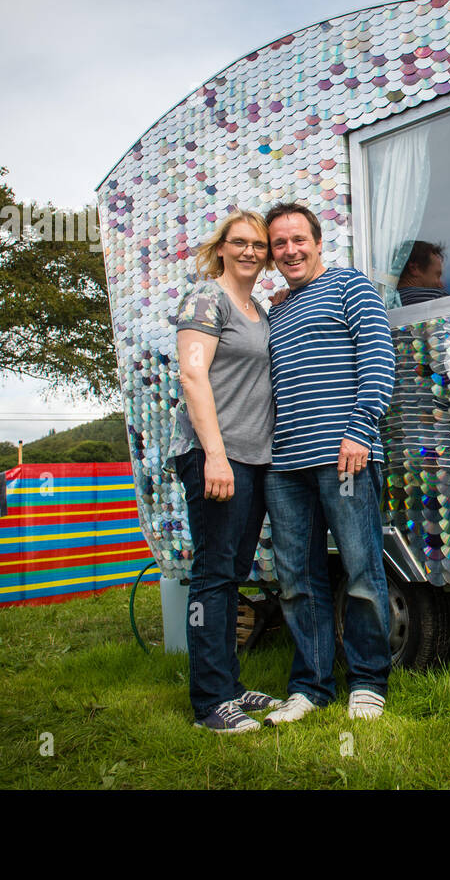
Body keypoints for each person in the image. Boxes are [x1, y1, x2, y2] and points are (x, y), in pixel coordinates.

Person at [262, 202, 396, 723]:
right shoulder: (278, 311)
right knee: (297, 579)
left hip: (345, 454)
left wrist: (360, 429)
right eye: (280, 244)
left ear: (318, 242)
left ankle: (367, 681)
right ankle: (310, 686)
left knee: (362, 571)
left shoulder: (351, 286)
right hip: (284, 464)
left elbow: (380, 358)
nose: (290, 250)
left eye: (299, 240)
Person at [170, 209, 282, 733]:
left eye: (258, 244)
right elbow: (193, 376)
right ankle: (210, 703)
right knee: (214, 576)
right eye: (239, 243)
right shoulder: (205, 298)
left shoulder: (255, 306)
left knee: (232, 574)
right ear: (221, 248)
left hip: (253, 458)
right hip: (217, 455)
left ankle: (230, 688)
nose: (249, 252)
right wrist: (214, 455)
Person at [395, 240, 449, 305]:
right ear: (414, 269)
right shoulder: (436, 298)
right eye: (437, 275)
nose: (441, 285)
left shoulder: (384, 304)